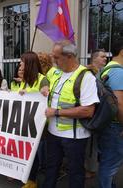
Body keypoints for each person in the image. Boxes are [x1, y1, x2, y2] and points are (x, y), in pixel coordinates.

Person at [43, 40, 99, 188]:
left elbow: (88, 110)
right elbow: (44, 80)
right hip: (53, 133)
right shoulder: (56, 72)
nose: (54, 61)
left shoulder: (86, 77)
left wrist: (56, 112)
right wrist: (44, 87)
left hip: (75, 137)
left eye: (56, 57)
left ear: (69, 56)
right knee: (51, 168)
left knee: (75, 173)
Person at [18, 52, 49, 188]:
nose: (20, 64)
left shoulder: (43, 80)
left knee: (34, 154)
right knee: (28, 152)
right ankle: (28, 178)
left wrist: (43, 93)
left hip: (38, 127)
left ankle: (32, 181)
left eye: (22, 62)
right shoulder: (25, 81)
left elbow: (46, 97)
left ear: (29, 63)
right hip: (26, 124)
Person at [98, 40, 123, 188]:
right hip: (115, 125)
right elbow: (119, 103)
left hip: (105, 123)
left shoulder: (104, 70)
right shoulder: (118, 72)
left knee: (107, 160)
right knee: (110, 165)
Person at [84, 49, 107, 179]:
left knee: (94, 143)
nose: (105, 59)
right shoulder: (90, 73)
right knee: (91, 143)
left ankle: (91, 168)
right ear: (94, 59)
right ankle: (90, 170)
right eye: (102, 57)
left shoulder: (101, 72)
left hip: (98, 114)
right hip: (92, 115)